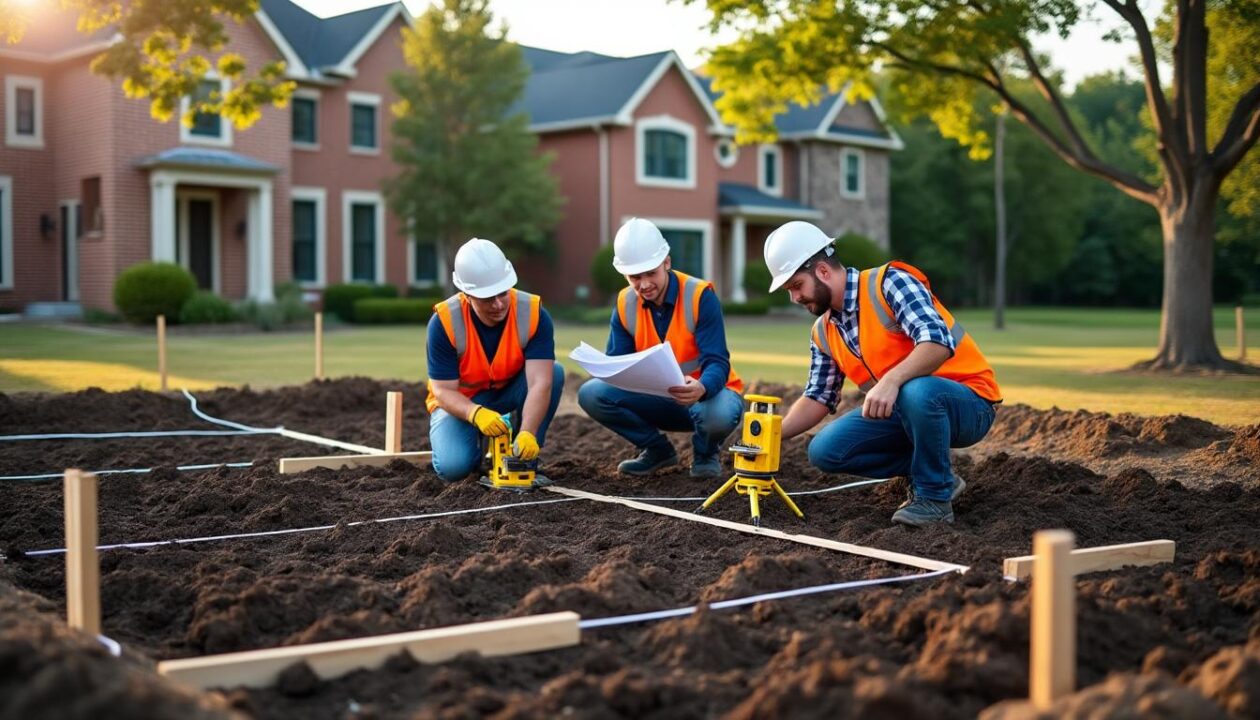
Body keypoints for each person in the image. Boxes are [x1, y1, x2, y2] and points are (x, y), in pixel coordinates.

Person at [762, 221, 1002, 526]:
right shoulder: (823, 331)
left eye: (796, 286)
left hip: (969, 403)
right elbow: (818, 397)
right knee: (825, 450)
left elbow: (937, 342)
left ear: (822, 271)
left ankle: (934, 497)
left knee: (915, 391)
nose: (794, 298)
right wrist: (771, 435)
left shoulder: (889, 283)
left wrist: (891, 380)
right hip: (909, 411)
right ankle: (936, 472)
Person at [578, 218, 744, 478]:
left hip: (705, 397)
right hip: (657, 399)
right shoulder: (625, 303)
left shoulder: (700, 295)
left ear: (667, 262)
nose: (644, 284)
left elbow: (718, 361)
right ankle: (657, 451)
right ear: (624, 275)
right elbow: (618, 363)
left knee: (720, 413)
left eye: (650, 273)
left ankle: (705, 452)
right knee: (592, 393)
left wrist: (701, 388)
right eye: (635, 276)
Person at [425, 238, 564, 482]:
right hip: (461, 402)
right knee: (454, 468)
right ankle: (475, 442)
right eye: (488, 298)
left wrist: (528, 432)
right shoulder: (444, 323)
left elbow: (540, 382)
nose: (498, 304)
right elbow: (442, 391)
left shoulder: (533, 313)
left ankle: (522, 454)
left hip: (506, 392)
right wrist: (475, 414)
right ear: (467, 294)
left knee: (556, 371)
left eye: (502, 293)